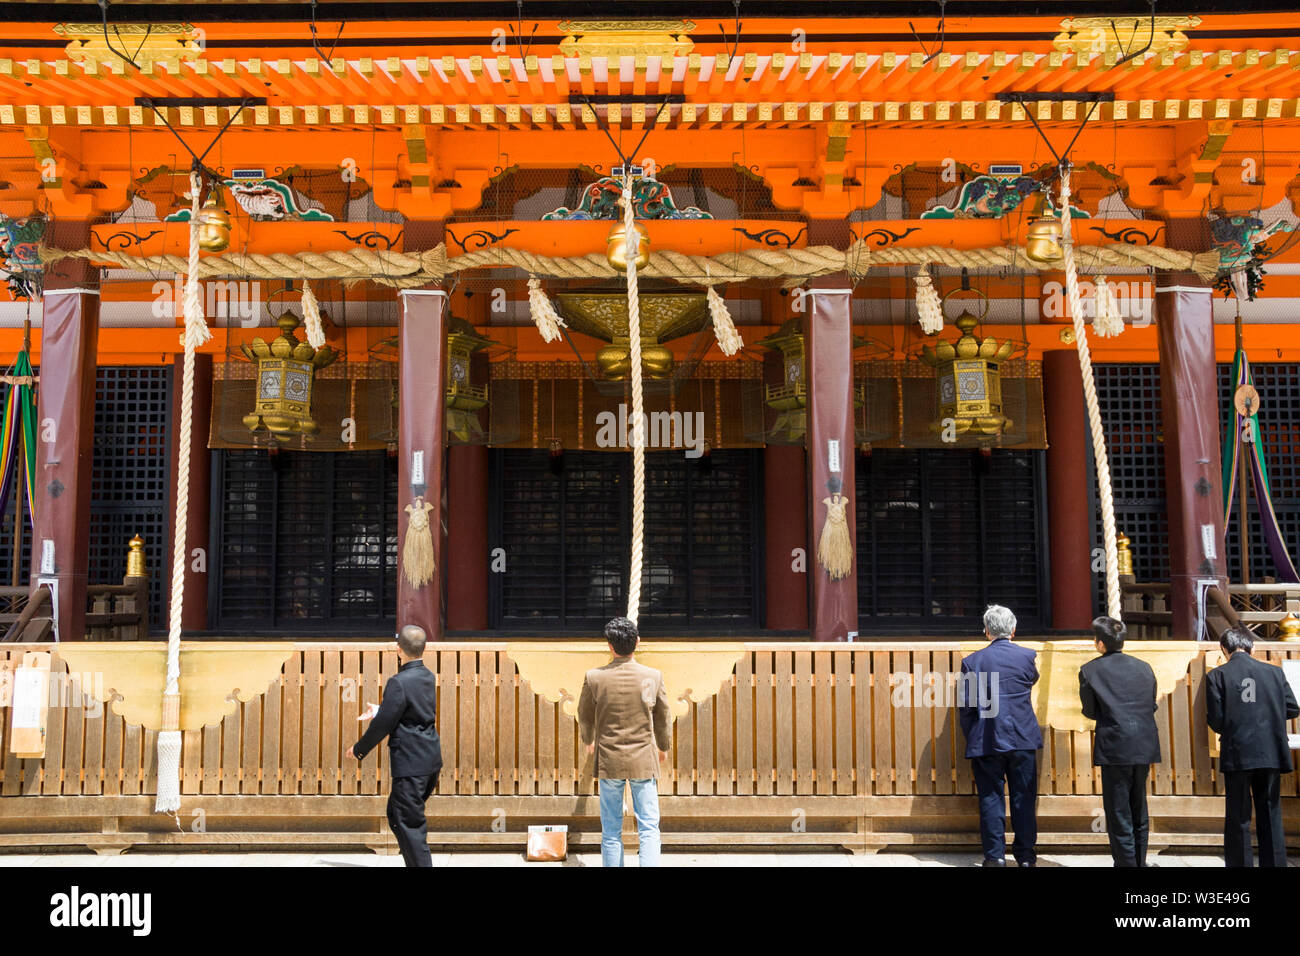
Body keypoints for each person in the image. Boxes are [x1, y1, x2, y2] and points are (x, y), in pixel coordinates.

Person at [577, 616, 671, 867]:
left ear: (610, 646)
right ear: (638, 642)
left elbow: (584, 716)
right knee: (649, 825)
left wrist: (588, 740)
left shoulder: (594, 677)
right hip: (643, 757)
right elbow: (662, 716)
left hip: (610, 758)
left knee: (610, 828)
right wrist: (663, 746)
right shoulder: (652, 676)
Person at [347, 625, 442, 867]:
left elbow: (383, 726)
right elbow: (411, 712)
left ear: (398, 650)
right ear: (424, 648)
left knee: (409, 823)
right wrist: (381, 711)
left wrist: (358, 750)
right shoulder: (427, 676)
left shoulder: (398, 682)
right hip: (429, 761)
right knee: (397, 815)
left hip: (411, 764)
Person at [1206, 626, 1300, 867]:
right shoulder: (1275, 673)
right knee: (1270, 811)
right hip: (1270, 750)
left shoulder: (1217, 676)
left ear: (1224, 649)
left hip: (1237, 752)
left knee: (1238, 815)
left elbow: (1216, 720)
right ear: (1252, 647)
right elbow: (1293, 708)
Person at [959, 604, 1043, 867]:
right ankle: (1026, 857)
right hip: (1022, 736)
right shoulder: (1028, 657)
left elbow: (967, 707)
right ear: (1013, 630)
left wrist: (972, 736)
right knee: (1024, 799)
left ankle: (995, 857)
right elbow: (1031, 681)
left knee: (990, 798)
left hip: (986, 738)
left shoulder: (972, 662)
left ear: (986, 631)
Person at [1079, 616, 1160, 867]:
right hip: (1144, 741)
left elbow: (1090, 711)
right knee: (1139, 806)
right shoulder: (1145, 667)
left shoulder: (1090, 670)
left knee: (1118, 810)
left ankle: (1125, 863)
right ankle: (1139, 860)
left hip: (1115, 744)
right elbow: (1151, 703)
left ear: (1101, 643)